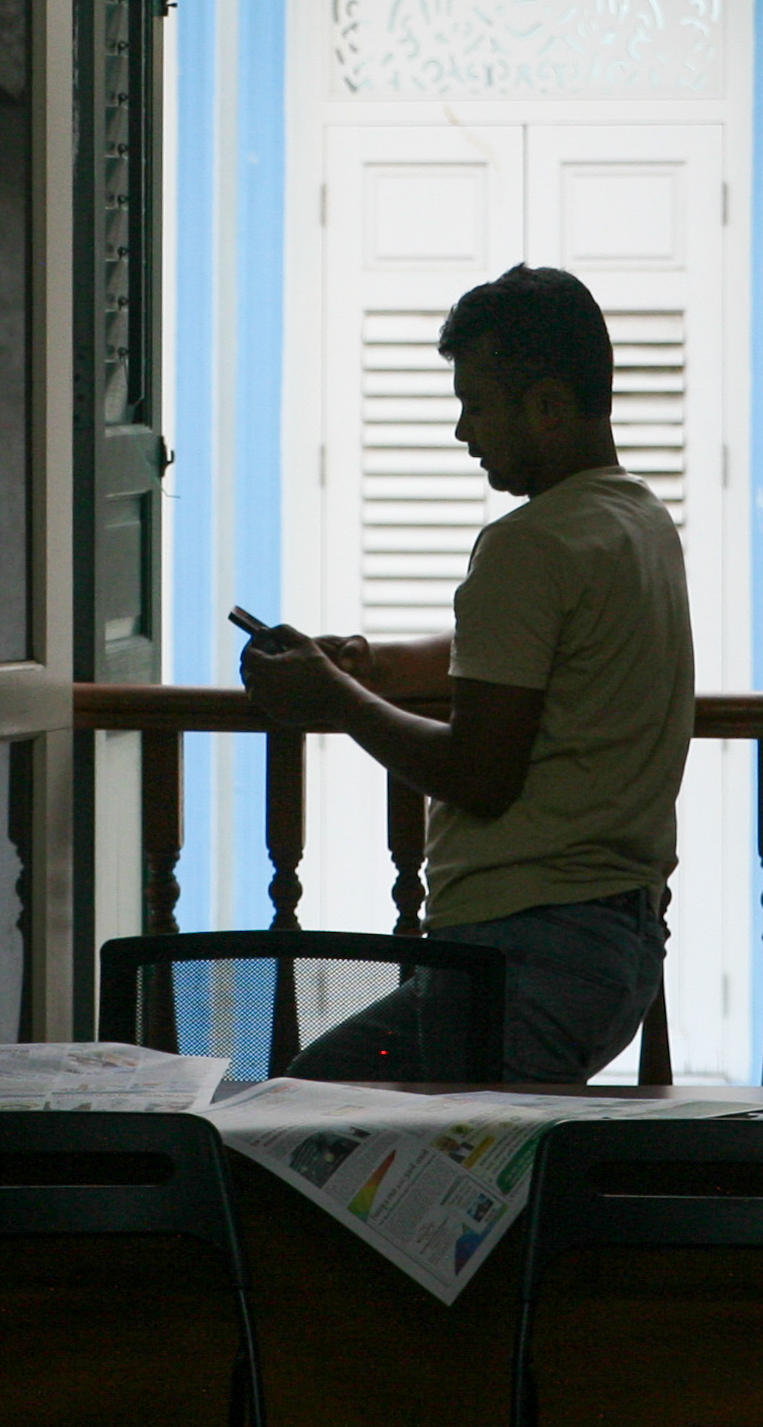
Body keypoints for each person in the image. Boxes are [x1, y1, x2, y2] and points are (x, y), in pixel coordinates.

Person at [238, 262, 694, 1082]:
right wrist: (375, 663)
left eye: (475, 405)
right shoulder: (638, 521)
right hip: (613, 950)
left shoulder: (527, 543)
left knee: (327, 1128)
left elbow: (479, 773)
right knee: (350, 1112)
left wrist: (331, 695)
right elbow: (525, 668)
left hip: (521, 956)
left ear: (547, 406)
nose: (462, 430)